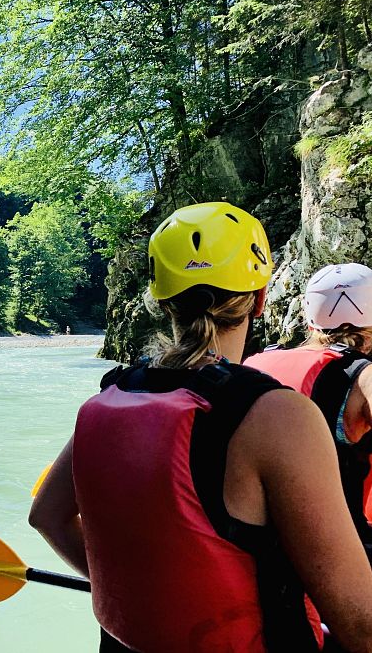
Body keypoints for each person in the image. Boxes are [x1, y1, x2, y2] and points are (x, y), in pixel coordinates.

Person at [29, 203, 372, 652]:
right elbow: (360, 627)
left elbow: (47, 517)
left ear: (162, 300)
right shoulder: (279, 415)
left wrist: (155, 599)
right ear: (261, 297)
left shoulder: (105, 402)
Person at [245, 263, 372, 550]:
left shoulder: (253, 364)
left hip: (260, 550)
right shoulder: (363, 376)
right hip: (340, 552)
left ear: (309, 318)